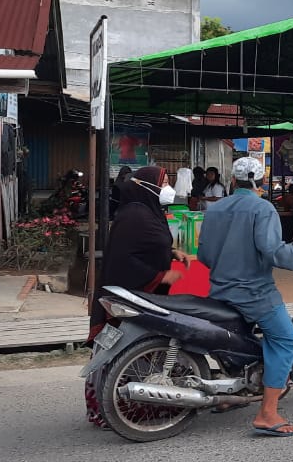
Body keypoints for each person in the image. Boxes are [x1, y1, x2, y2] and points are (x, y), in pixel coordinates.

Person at [198, 157, 293, 437]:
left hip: (219, 290)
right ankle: (268, 413)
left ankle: (229, 395)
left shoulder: (215, 209)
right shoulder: (263, 208)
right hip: (254, 293)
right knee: (286, 340)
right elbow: (275, 253)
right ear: (260, 183)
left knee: (238, 342)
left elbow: (204, 256)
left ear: (233, 181)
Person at [84, 165, 186, 428]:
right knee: (124, 351)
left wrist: (172, 252)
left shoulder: (147, 211)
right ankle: (121, 409)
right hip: (130, 296)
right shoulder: (135, 216)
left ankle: (146, 405)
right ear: (146, 186)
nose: (168, 189)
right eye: (164, 183)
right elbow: (122, 260)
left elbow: (148, 244)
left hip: (141, 295)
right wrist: (160, 277)